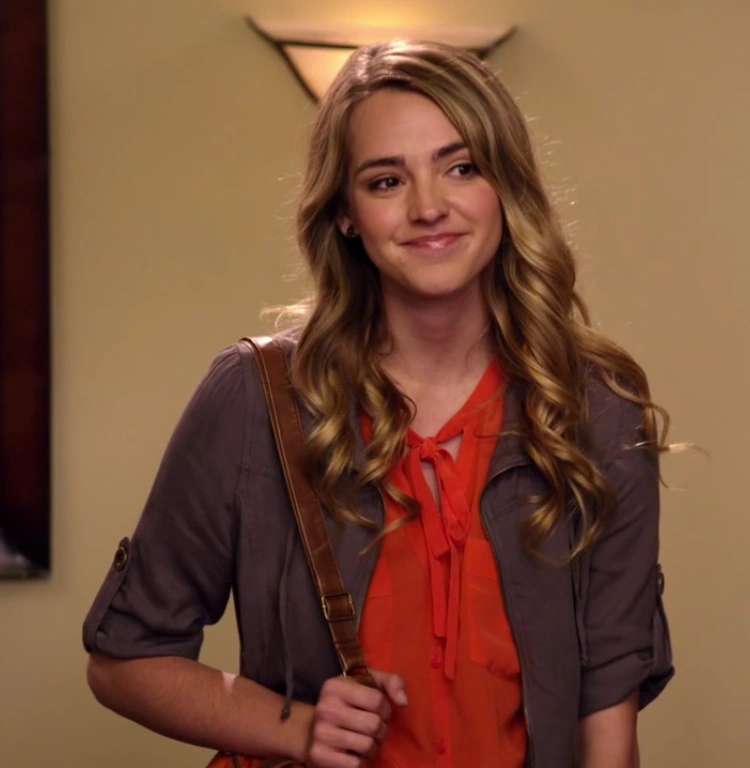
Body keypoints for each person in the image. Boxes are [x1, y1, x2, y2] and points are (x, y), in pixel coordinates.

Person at [83, 40, 674, 768]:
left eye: (462, 167)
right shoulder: (255, 397)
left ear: (506, 185)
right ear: (345, 213)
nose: (429, 208)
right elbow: (123, 660)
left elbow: (607, 716)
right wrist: (295, 728)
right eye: (387, 180)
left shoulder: (595, 407)